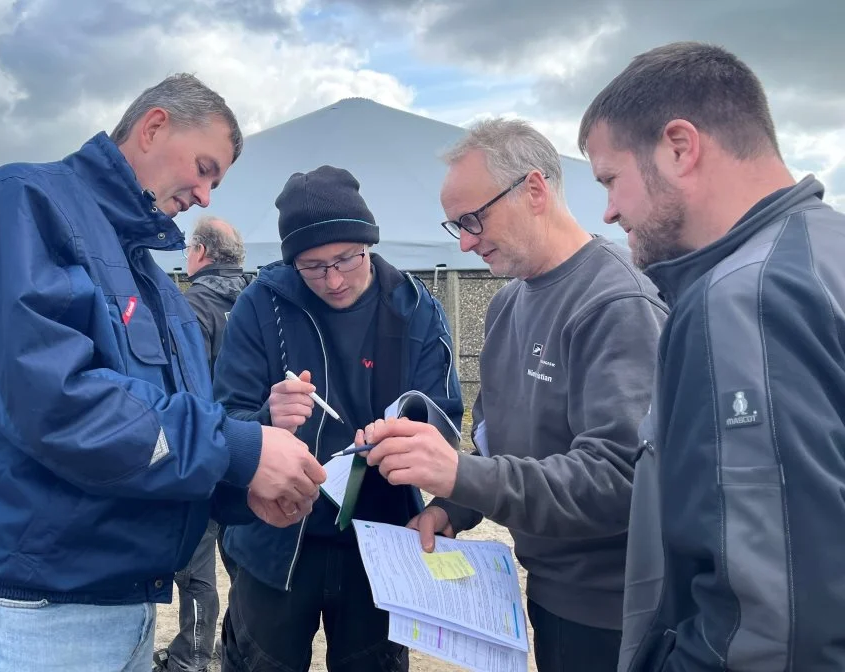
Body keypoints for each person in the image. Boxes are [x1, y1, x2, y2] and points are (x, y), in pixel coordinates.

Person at [0, 73, 326, 672]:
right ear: (154, 126)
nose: (207, 196)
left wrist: (240, 489)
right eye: (205, 168)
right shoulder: (23, 203)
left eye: (217, 181)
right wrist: (241, 449)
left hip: (123, 597)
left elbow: (145, 431)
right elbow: (55, 402)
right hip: (39, 606)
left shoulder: (148, 277)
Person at [360, 118, 668, 672]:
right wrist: (454, 507)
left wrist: (460, 476)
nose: (468, 241)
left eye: (474, 220)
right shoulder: (507, 306)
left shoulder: (616, 303)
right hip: (546, 597)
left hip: (619, 614)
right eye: (456, 226)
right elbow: (500, 443)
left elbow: (623, 479)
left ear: (534, 190)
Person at [578, 41, 845, 671]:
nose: (609, 211)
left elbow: (772, 623)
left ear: (679, 146)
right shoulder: (825, 255)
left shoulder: (742, 299)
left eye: (611, 179)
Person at [212, 165, 465, 672]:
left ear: (368, 243)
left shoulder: (413, 306)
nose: (332, 279)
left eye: (346, 259)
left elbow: (446, 422)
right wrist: (266, 417)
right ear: (291, 262)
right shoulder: (261, 305)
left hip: (380, 535)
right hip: (277, 541)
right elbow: (222, 421)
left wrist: (405, 438)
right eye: (312, 266)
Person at [153, 215, 251, 672]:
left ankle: (191, 656)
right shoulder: (256, 300)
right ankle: (241, 646)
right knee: (245, 563)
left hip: (207, 448)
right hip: (254, 449)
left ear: (199, 253)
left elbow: (184, 387)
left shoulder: (191, 308)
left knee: (196, 566)